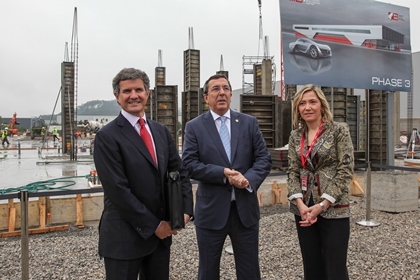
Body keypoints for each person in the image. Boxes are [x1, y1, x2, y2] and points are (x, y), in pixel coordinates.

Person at [93, 67, 194, 280]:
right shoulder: (107, 137)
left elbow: (179, 171)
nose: (133, 96)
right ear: (117, 97)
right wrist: (155, 225)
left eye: (138, 89)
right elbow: (118, 190)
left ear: (148, 93)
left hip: (159, 240)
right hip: (124, 238)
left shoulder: (161, 131)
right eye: (127, 91)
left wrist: (185, 210)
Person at [182, 74, 272, 280]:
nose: (221, 92)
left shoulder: (249, 123)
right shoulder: (194, 127)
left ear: (231, 94)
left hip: (245, 212)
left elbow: (263, 159)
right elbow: (189, 164)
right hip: (211, 212)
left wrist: (247, 180)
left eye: (225, 88)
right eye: (215, 89)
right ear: (206, 97)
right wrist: (222, 174)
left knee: (250, 270)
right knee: (208, 270)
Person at [286, 84, 354, 279]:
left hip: (334, 207)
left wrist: (323, 204)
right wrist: (299, 204)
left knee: (335, 267)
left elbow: (345, 169)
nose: (307, 107)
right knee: (311, 264)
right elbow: (292, 170)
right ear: (297, 108)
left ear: (322, 105)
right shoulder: (295, 136)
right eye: (302, 103)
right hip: (304, 210)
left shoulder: (338, 131)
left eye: (312, 102)